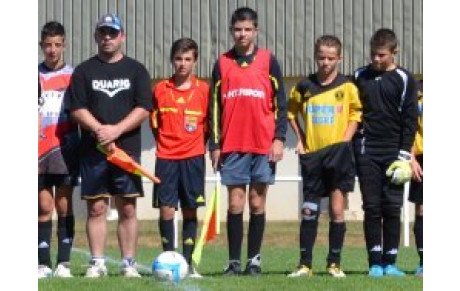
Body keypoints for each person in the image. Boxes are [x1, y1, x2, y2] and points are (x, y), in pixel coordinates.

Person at [68, 13, 152, 278]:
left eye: (112, 33)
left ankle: (129, 263)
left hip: (126, 149)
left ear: (121, 36)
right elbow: (77, 108)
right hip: (93, 151)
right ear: (96, 37)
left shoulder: (136, 70)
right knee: (97, 207)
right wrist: (99, 130)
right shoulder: (84, 71)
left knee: (127, 206)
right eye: (103, 33)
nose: (107, 37)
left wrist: (116, 129)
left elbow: (144, 108)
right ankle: (98, 262)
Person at [208, 7, 287, 276]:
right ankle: (233, 262)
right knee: (235, 203)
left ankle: (254, 260)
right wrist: (215, 144)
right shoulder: (222, 63)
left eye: (247, 29)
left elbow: (281, 103)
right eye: (238, 29)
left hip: (263, 144)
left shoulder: (268, 60)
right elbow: (214, 107)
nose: (242, 34)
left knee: (257, 203)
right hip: (232, 144)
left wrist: (279, 138)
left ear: (255, 31)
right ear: (232, 31)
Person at [287, 35, 362, 278]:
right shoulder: (304, 86)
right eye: (321, 57)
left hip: (339, 154)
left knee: (337, 210)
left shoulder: (348, 86)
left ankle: (334, 264)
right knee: (309, 210)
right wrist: (300, 139)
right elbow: (290, 113)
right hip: (313, 156)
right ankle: (305, 265)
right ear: (315, 57)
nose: (325, 62)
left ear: (339, 59)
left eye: (331, 58)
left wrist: (345, 140)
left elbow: (356, 115)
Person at [353, 28, 418, 277]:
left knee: (392, 208)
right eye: (373, 54)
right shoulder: (359, 75)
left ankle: (390, 262)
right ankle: (374, 264)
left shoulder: (405, 78)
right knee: (372, 207)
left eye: (381, 55)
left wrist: (404, 155)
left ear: (394, 53)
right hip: (367, 151)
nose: (376, 60)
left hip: (395, 153)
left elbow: (410, 119)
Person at [150, 38, 209, 278]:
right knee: (166, 210)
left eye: (187, 59)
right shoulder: (160, 90)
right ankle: (168, 259)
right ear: (172, 60)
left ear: (195, 61)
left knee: (190, 209)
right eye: (178, 59)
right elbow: (155, 125)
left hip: (193, 158)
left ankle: (188, 264)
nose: (182, 64)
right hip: (166, 158)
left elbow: (209, 126)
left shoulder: (203, 90)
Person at [38, 21, 80, 279]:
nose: (52, 50)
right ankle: (42, 263)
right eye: (48, 45)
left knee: (64, 205)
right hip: (39, 151)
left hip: (66, 149)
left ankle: (63, 263)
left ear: (63, 45)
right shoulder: (32, 75)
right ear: (42, 46)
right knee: (43, 206)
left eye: (57, 45)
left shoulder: (74, 76)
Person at [410, 79, 423, 277]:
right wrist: (411, 157)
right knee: (423, 209)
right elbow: (408, 128)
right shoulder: (416, 94)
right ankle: (425, 262)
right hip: (422, 157)